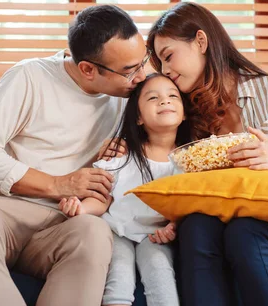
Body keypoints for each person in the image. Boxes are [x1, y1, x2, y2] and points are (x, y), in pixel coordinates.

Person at [0, 5, 151, 306]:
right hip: (0, 210)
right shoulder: (29, 77)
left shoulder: (132, 95)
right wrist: (57, 184)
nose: (142, 76)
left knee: (94, 232)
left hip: (66, 221)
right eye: (130, 71)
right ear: (88, 69)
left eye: (142, 62)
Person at [146, 2, 268, 306]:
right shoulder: (185, 115)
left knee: (245, 233)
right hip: (222, 226)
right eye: (160, 64)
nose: (166, 71)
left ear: (200, 41)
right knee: (195, 227)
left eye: (168, 56)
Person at [59, 73, 190, 306]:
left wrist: (174, 227)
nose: (165, 101)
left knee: (159, 272)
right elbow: (102, 198)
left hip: (156, 235)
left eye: (173, 96)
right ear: (138, 117)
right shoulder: (121, 154)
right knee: (119, 274)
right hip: (117, 230)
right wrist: (80, 208)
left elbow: (190, 204)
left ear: (184, 112)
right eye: (153, 98)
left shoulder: (190, 160)